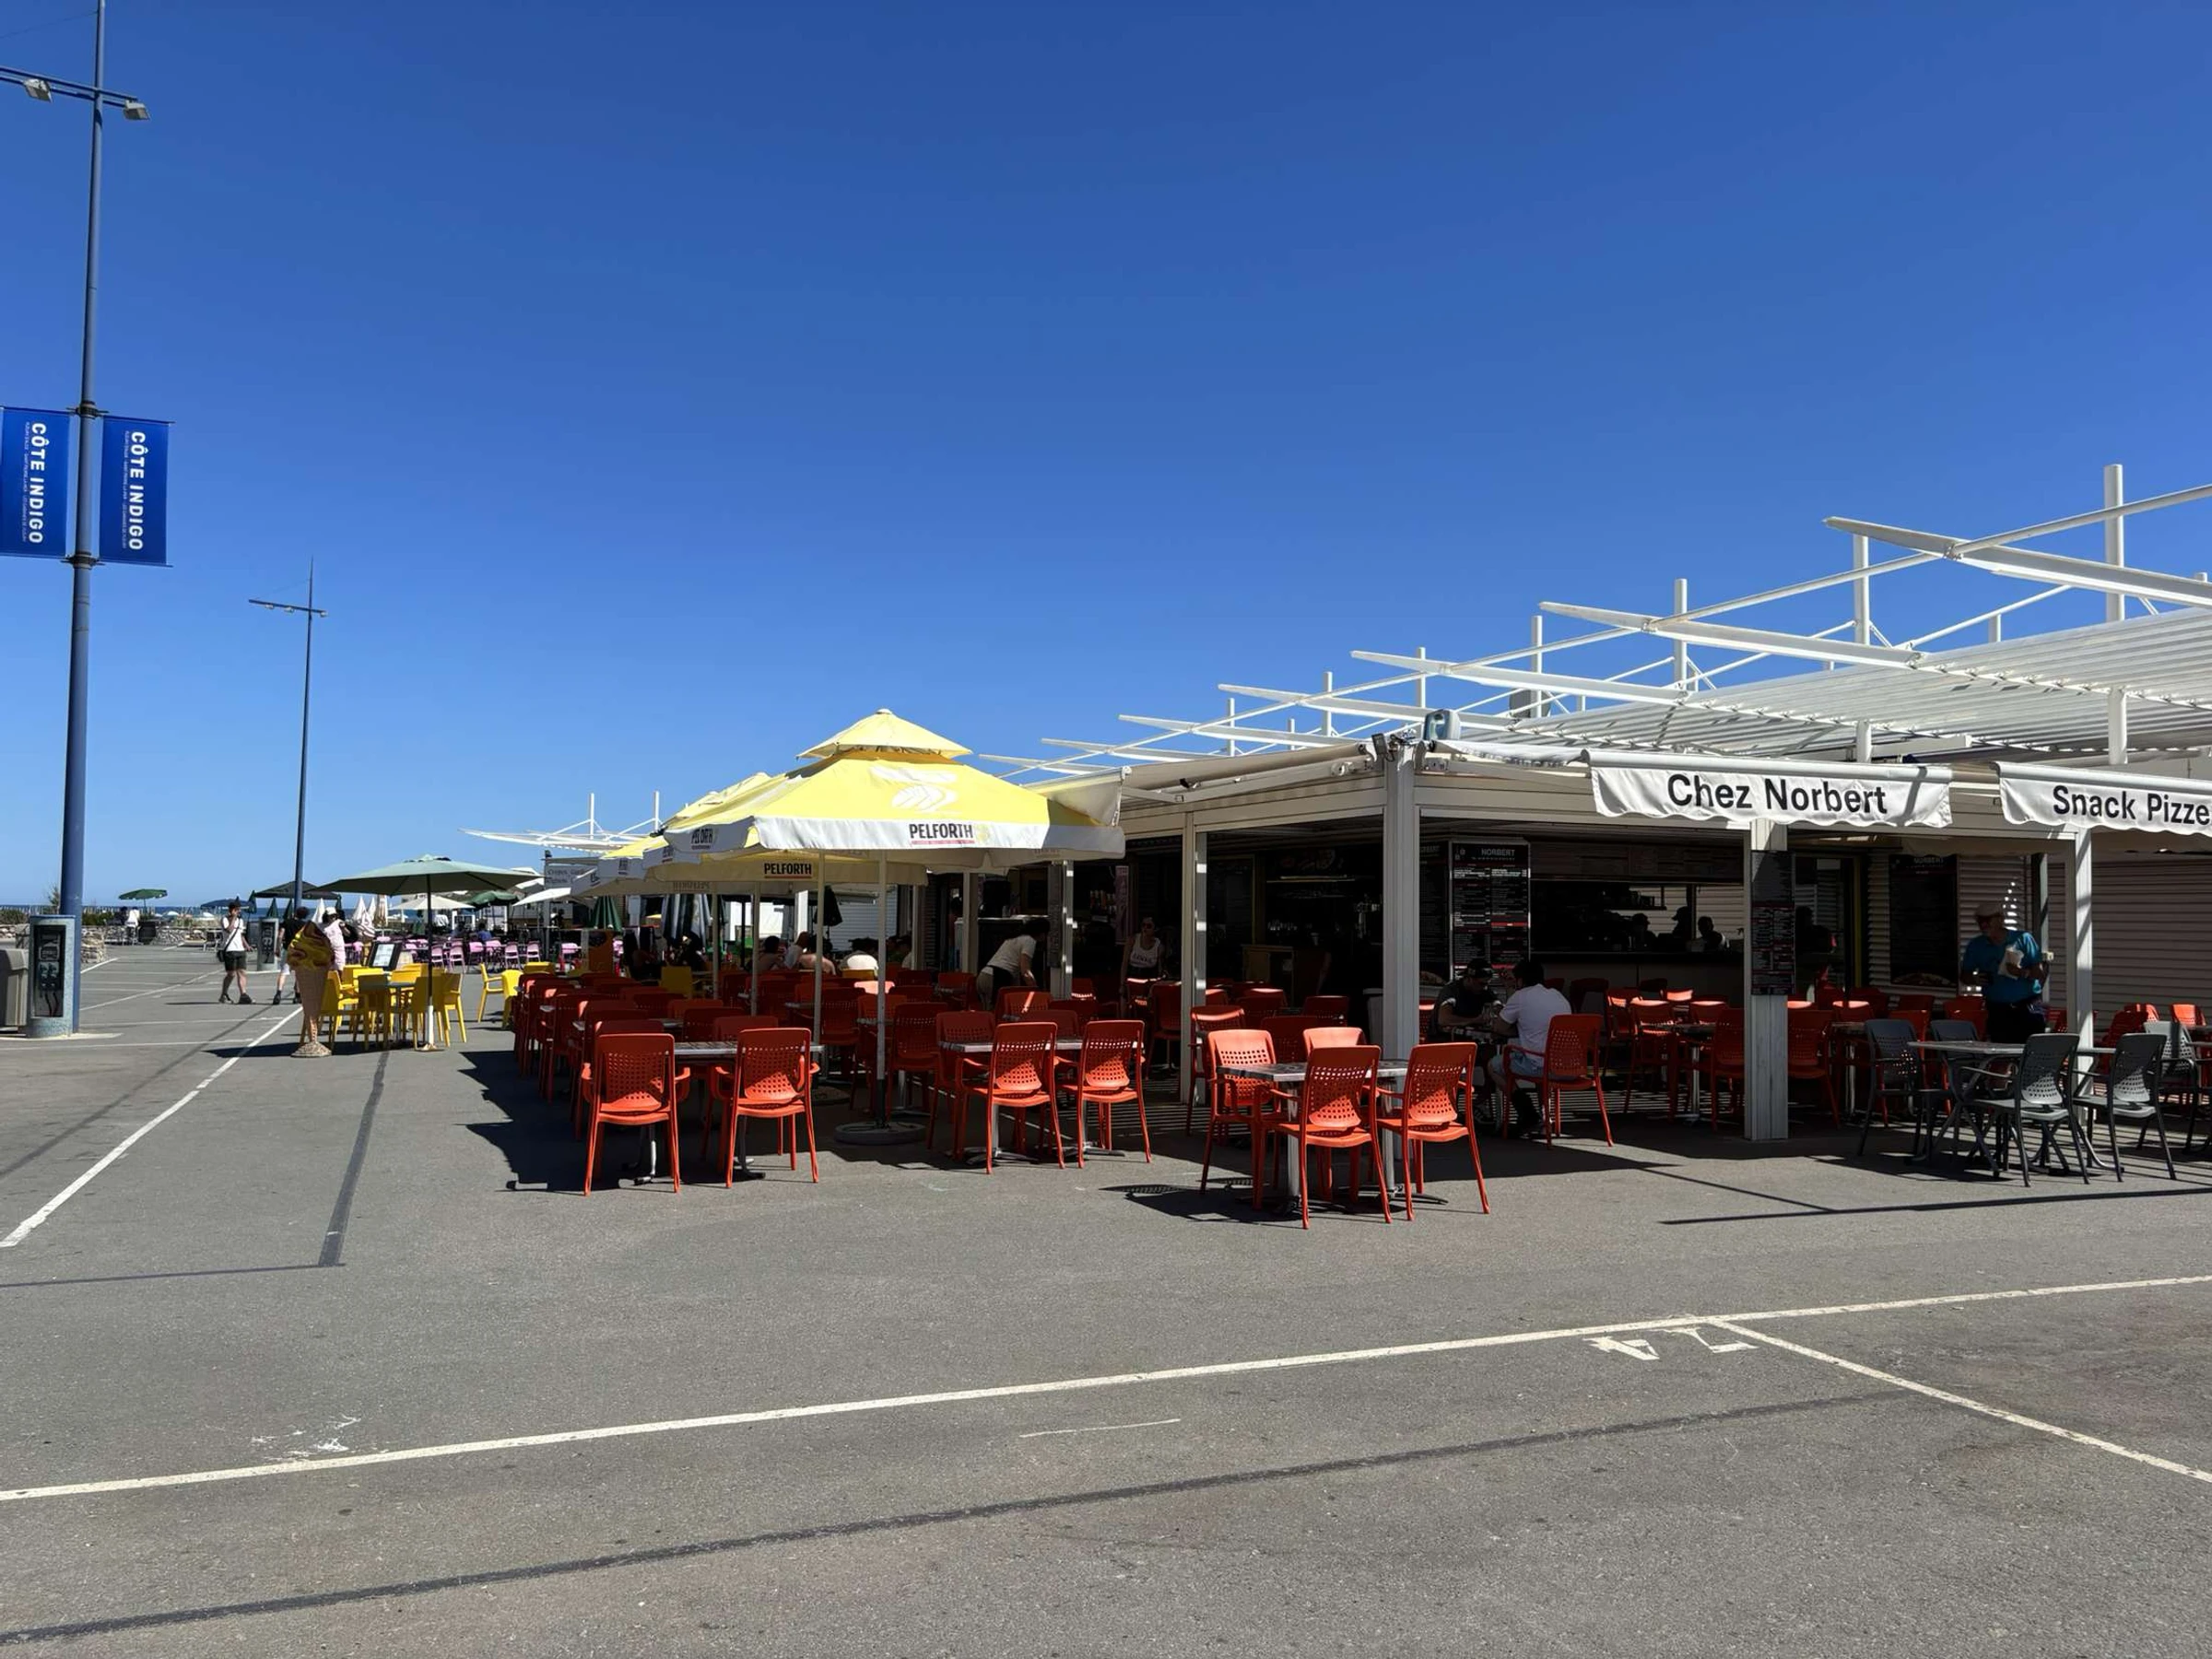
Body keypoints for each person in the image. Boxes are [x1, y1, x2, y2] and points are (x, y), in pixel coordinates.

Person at [1485, 958, 1570, 1138]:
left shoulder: (1521, 996)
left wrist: (1518, 1029)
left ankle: (1527, 1112)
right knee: (1541, 1062)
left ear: (1520, 980)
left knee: (1494, 1066)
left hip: (1543, 1066)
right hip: (1568, 1066)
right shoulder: (1558, 995)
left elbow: (1499, 1027)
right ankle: (1546, 1120)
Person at [1959, 902, 2046, 1043]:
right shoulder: (1976, 945)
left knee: (2032, 1049)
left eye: (1988, 920)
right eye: (1980, 920)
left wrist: (2021, 972)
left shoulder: (2023, 938)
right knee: (2001, 1050)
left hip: (2027, 1005)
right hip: (1997, 1009)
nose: (1984, 924)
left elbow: (2039, 973)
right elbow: (1964, 976)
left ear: (2000, 919)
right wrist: (1975, 979)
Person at [285, 909, 337, 1057]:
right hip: (314, 960)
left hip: (308, 960)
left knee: (310, 1006)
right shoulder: (318, 936)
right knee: (312, 1006)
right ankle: (313, 1039)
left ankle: (313, 1038)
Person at [1428, 959, 1497, 1044]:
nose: (1485, 988)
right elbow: (1444, 1019)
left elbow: (1497, 1005)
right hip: (1443, 1040)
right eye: (1482, 984)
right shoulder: (1451, 991)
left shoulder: (1484, 990)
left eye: (1487, 984)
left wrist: (1508, 987)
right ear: (1469, 979)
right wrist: (1474, 1020)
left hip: (1470, 1039)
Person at [979, 924, 1043, 1006]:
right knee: (1001, 1010)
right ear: (1042, 933)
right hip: (997, 977)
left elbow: (1012, 969)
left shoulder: (1013, 937)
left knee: (989, 1011)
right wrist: (1037, 993)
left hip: (984, 975)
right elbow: (1025, 971)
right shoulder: (1030, 940)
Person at [217, 902, 253, 1004]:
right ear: (231, 910)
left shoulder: (240, 921)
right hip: (230, 950)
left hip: (240, 950)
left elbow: (240, 934)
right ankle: (224, 994)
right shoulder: (224, 919)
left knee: (242, 973)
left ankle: (243, 995)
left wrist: (246, 945)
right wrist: (233, 918)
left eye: (239, 910)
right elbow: (229, 930)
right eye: (236, 910)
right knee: (231, 974)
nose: (238, 912)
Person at [1123, 916, 1167, 982]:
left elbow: (1160, 969)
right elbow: (1125, 963)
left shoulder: (1159, 947)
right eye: (1143, 925)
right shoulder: (1132, 940)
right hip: (1132, 976)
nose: (1145, 928)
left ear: (1155, 929)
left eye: (1149, 926)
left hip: (1149, 979)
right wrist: (1122, 984)